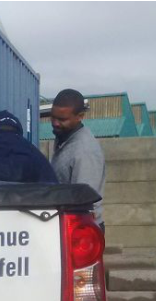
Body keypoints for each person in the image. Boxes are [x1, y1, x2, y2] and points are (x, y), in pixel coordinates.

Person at [49, 88, 106, 227]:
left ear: (80, 116)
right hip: (68, 224)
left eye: (62, 119)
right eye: (53, 117)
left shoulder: (84, 151)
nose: (55, 123)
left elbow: (84, 201)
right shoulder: (64, 138)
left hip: (81, 228)